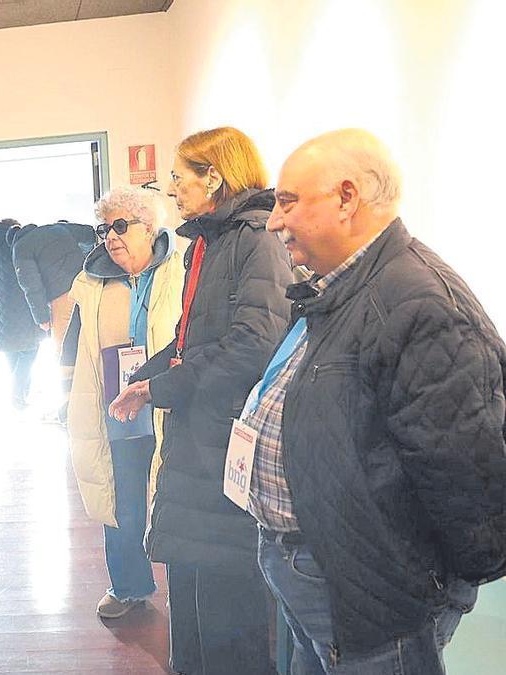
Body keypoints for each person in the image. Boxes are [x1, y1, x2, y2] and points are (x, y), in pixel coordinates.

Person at [250, 128, 506, 674]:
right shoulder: (341, 287)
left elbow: (468, 477)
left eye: (288, 201)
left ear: (347, 199)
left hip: (371, 595)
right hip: (322, 571)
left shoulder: (419, 304)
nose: (274, 220)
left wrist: (421, 589)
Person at [110, 126, 293, 674]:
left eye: (179, 175)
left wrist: (162, 388)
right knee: (190, 595)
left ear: (214, 175)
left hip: (223, 440)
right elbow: (192, 339)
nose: (171, 187)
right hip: (199, 437)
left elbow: (254, 344)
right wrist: (146, 377)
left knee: (228, 607)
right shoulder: (209, 243)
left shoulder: (255, 239)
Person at [62, 186, 184, 619]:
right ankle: (129, 584)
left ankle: (188, 591)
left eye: (120, 226)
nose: (110, 237)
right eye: (104, 229)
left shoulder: (182, 266)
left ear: (149, 228)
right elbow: (76, 344)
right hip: (121, 407)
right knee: (124, 499)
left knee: (180, 498)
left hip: (175, 403)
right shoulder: (93, 280)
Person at [0, 218, 43, 408]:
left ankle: (19, 396)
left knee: (12, 358)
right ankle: (18, 396)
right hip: (22, 312)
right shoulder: (15, 246)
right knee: (29, 353)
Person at [10, 220, 97, 355]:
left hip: (62, 295)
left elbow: (31, 285)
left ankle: (70, 374)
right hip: (87, 283)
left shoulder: (20, 248)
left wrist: (42, 318)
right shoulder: (56, 227)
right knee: (94, 335)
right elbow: (88, 233)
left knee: (64, 348)